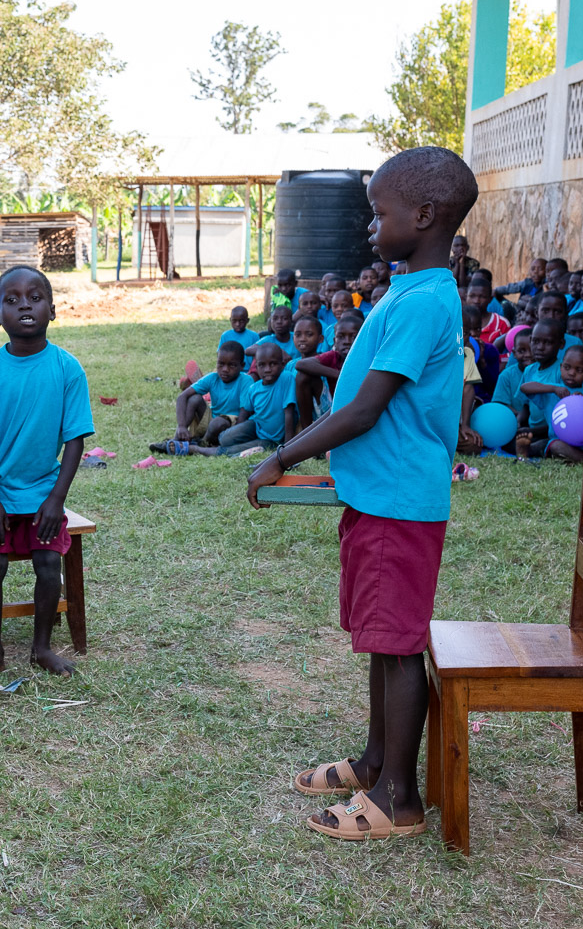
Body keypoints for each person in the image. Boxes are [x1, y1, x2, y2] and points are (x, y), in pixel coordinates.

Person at [248, 147, 475, 841]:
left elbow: (366, 408)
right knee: (383, 639)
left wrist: (280, 456)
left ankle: (398, 798)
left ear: (424, 215)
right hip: (380, 496)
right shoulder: (410, 289)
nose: (370, 227)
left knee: (399, 646)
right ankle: (377, 761)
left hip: (398, 504)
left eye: (379, 214)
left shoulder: (424, 300)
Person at [0, 266, 93, 684]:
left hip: (42, 491)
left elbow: (75, 441)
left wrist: (56, 500)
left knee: (48, 561)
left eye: (35, 297)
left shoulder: (67, 368)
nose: (25, 305)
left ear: (53, 310)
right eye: (11, 300)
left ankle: (41, 647)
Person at [185, 343, 292, 457]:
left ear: (282, 364)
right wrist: (238, 432)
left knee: (231, 450)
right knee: (225, 438)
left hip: (271, 439)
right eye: (262, 365)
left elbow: (289, 412)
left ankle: (197, 449)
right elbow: (245, 413)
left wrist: (288, 446)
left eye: (273, 364)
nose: (267, 370)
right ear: (256, 367)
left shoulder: (286, 378)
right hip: (255, 426)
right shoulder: (254, 388)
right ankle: (211, 443)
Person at [514, 345, 583, 462]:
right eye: (567, 367)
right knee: (556, 446)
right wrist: (553, 389)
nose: (571, 373)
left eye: (579, 370)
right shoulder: (554, 391)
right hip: (562, 442)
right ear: (561, 367)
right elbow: (524, 387)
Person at [158, 342, 249, 452]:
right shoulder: (213, 378)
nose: (225, 369)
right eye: (221, 364)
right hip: (211, 421)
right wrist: (181, 426)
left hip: (231, 426)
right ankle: (176, 440)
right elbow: (182, 397)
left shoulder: (245, 381)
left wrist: (234, 437)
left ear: (242, 366)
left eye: (232, 365)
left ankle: (201, 444)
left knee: (218, 422)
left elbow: (244, 413)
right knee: (194, 399)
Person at [291, 314, 361, 432]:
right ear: (334, 341)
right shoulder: (334, 356)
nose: (347, 342)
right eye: (341, 337)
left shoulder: (366, 359)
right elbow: (301, 364)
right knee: (303, 376)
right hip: (333, 408)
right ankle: (307, 432)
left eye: (353, 336)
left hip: (358, 410)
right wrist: (339, 375)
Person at [464, 278, 510, 346]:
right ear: (466, 297)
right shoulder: (455, 321)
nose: (476, 301)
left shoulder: (501, 324)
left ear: (490, 299)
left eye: (482, 297)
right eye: (472, 296)